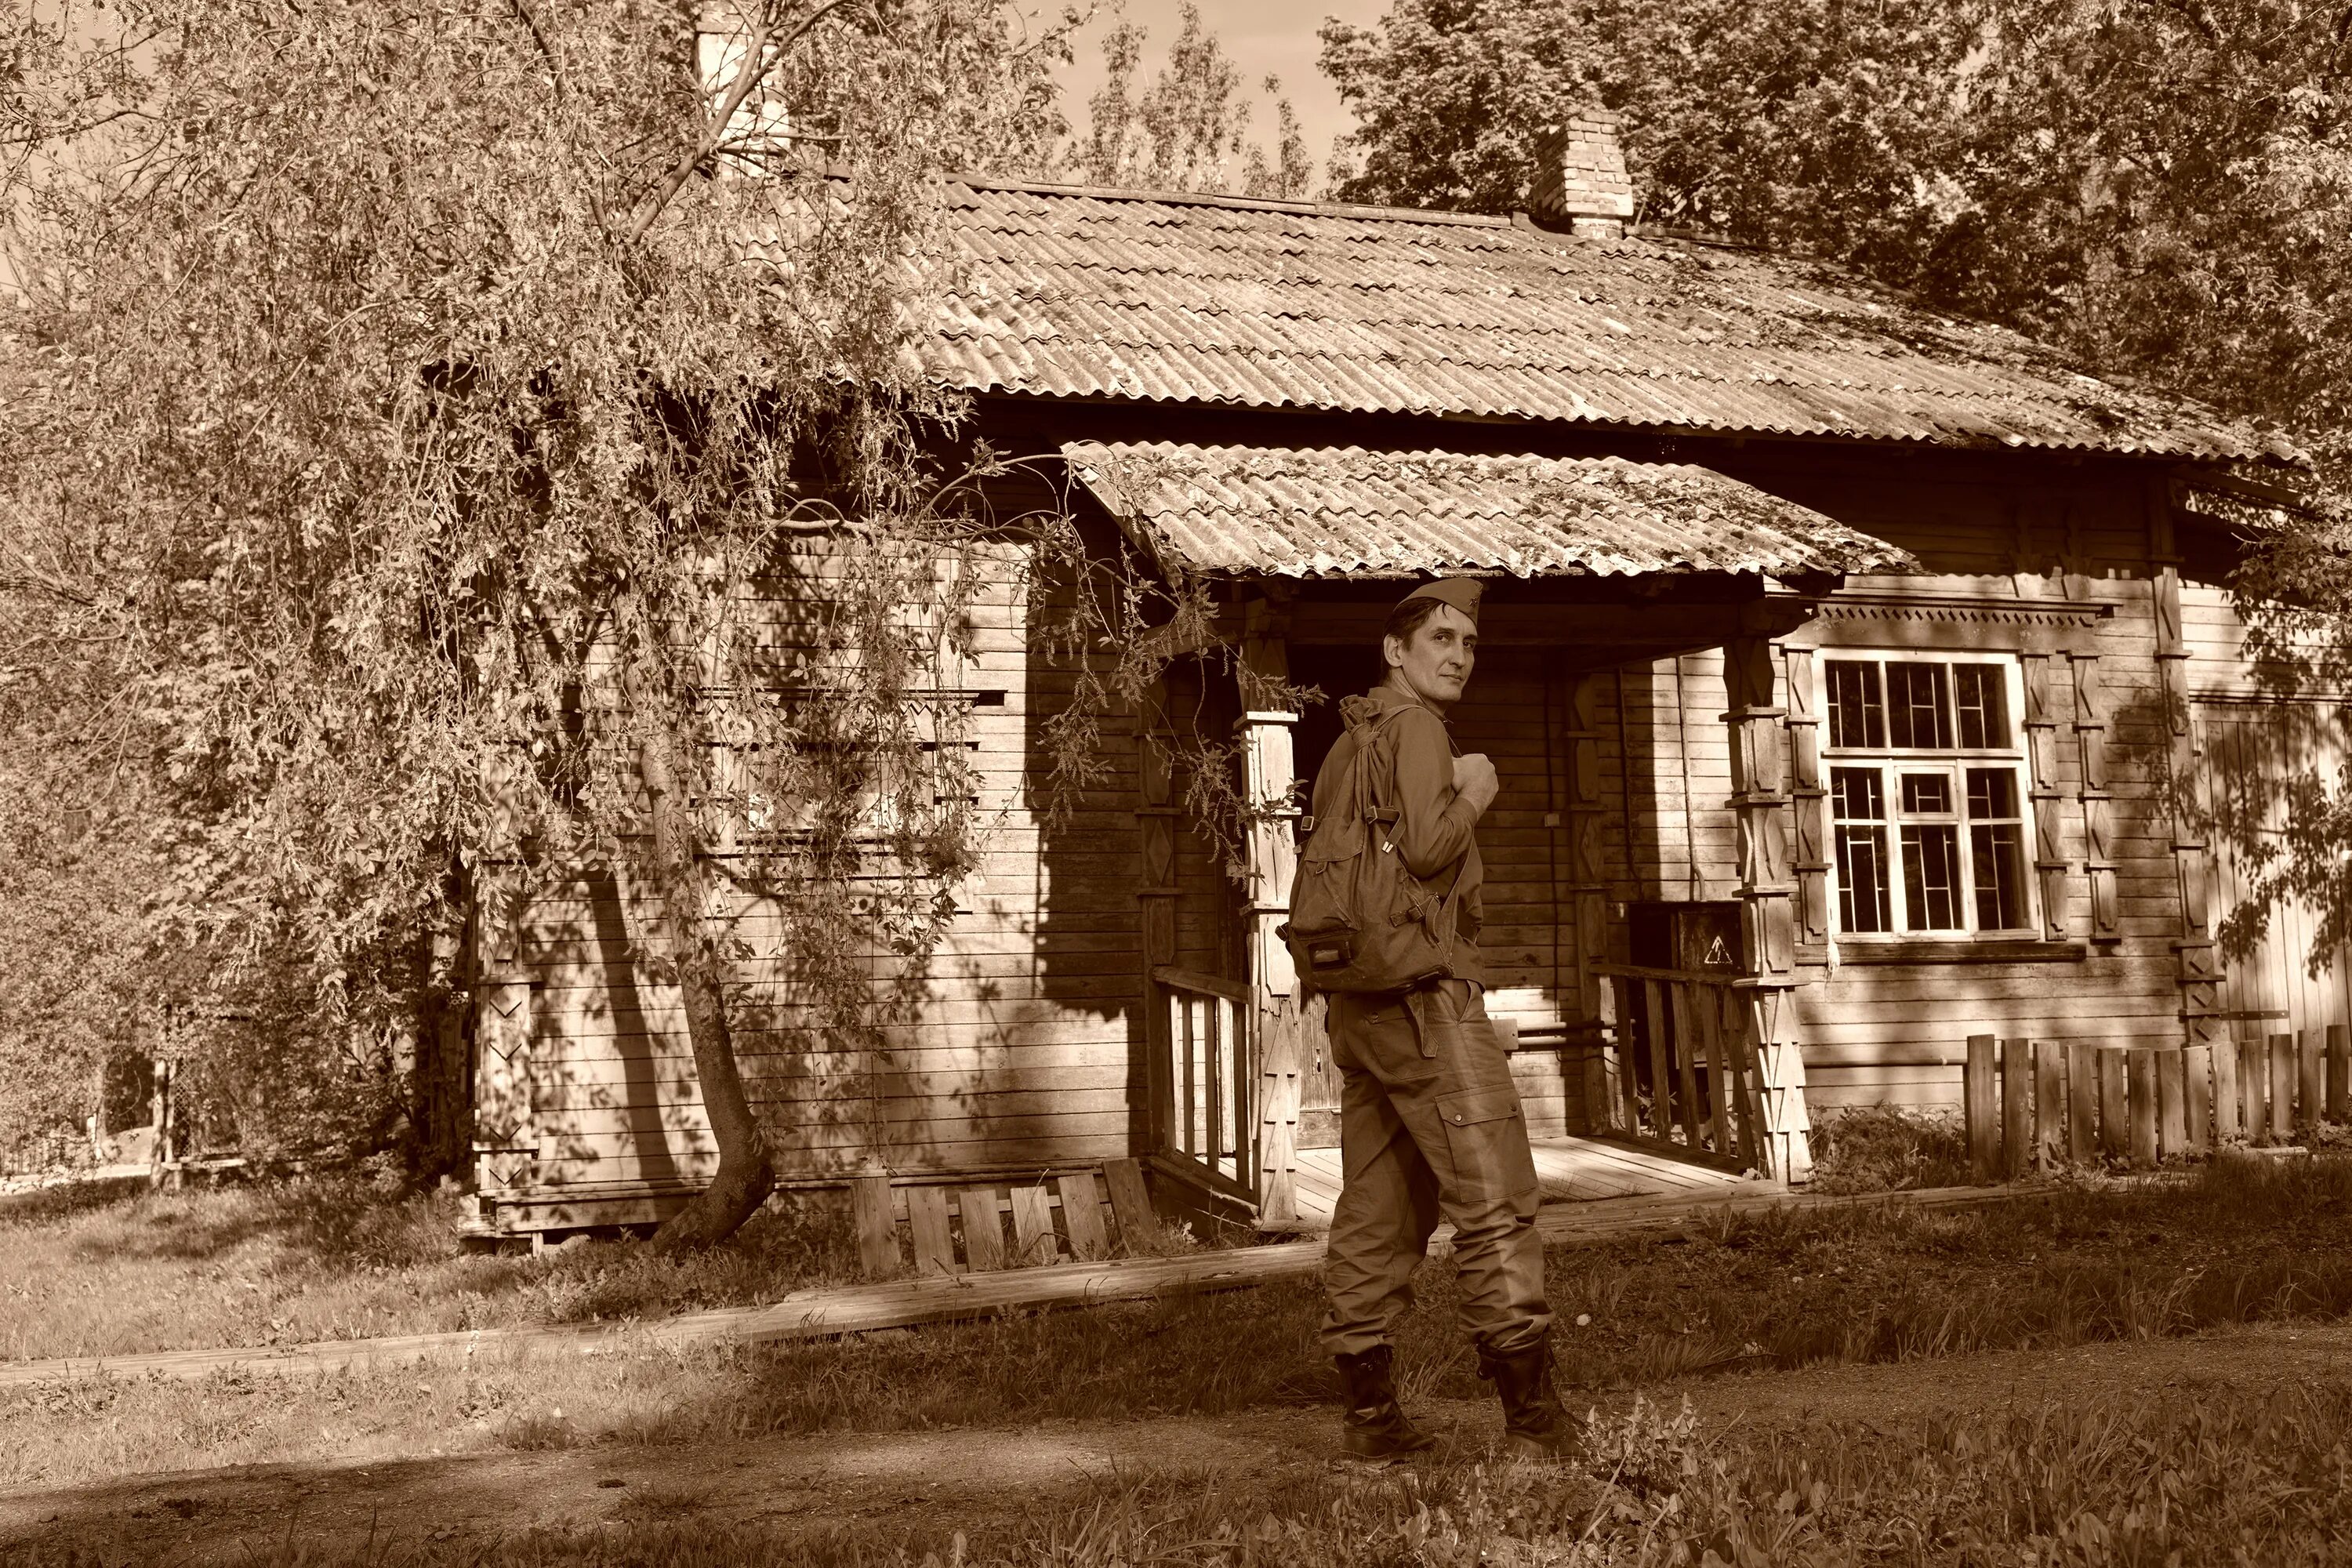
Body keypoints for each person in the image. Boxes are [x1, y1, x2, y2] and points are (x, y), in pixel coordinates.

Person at [1309, 576, 1575, 1462]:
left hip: (1362, 1007)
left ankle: (1371, 1416)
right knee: (1494, 1194)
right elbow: (1426, 848)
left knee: (1379, 1206)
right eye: (1442, 639)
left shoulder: (1350, 742)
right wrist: (1480, 789)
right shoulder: (1418, 729)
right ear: (1397, 651)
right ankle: (1535, 1425)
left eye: (1469, 643)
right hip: (1428, 1001)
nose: (1459, 655)